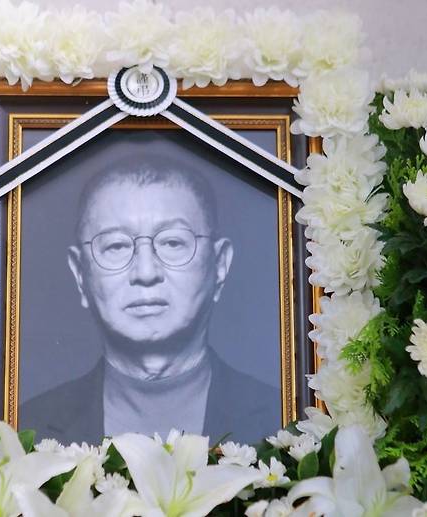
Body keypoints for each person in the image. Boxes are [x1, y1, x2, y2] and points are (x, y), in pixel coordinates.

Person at [20, 156, 280, 444]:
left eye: (173, 243)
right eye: (116, 245)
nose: (145, 273)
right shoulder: (26, 432)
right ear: (80, 273)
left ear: (219, 264)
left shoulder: (284, 423)